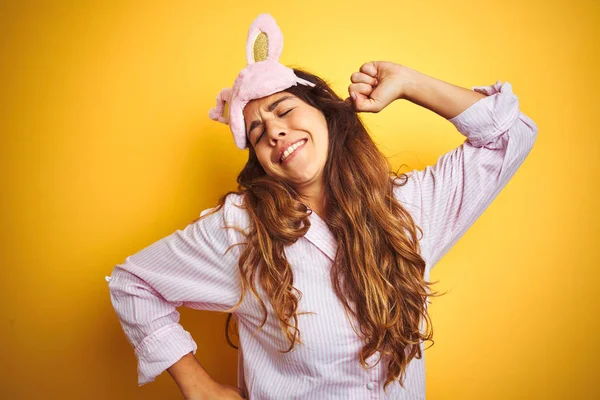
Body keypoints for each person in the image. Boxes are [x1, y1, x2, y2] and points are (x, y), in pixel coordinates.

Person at [105, 13, 538, 400]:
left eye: (283, 110)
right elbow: (132, 285)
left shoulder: (409, 207)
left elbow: (510, 134)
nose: (274, 131)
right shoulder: (242, 229)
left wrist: (409, 82)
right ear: (260, 158)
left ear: (325, 113)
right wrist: (199, 387)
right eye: (258, 132)